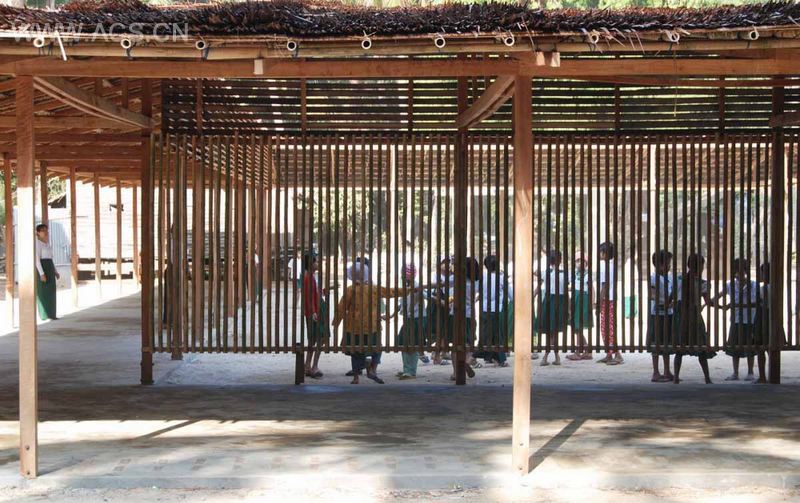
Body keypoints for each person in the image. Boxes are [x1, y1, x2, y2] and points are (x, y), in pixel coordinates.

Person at [332, 262, 420, 384]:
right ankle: (373, 369)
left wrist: (336, 322)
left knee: (355, 351)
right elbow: (391, 292)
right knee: (377, 349)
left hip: (354, 326)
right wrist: (408, 290)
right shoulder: (373, 288)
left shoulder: (350, 289)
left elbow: (341, 307)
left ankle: (356, 377)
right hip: (372, 325)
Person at [672, 253, 715, 384]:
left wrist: (668, 303)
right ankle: (707, 378)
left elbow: (672, 294)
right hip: (694, 314)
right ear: (700, 266)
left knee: (680, 347)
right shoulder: (702, 283)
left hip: (680, 314)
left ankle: (676, 378)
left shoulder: (680, 279)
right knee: (700, 345)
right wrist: (719, 305)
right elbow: (707, 301)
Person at [714, 258, 757, 381]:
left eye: (741, 270)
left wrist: (732, 305)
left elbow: (755, 303)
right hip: (736, 320)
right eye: (736, 271)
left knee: (750, 347)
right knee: (734, 347)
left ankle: (750, 372)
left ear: (746, 271)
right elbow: (717, 296)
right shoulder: (730, 285)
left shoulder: (753, 285)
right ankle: (735, 372)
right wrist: (717, 305)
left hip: (749, 320)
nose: (739, 274)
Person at [389, 264, 427, 380]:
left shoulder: (416, 286)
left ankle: (411, 371)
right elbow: (402, 304)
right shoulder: (406, 286)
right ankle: (407, 369)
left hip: (416, 319)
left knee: (412, 344)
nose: (402, 275)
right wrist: (391, 315)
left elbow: (426, 295)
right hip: (409, 319)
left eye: (403, 273)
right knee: (404, 343)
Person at [646, 249, 674, 382]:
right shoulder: (653, 278)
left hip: (668, 313)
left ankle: (667, 371)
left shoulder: (669, 278)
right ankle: (656, 372)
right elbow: (652, 295)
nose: (669, 266)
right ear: (659, 264)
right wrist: (665, 302)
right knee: (656, 343)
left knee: (666, 343)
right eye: (667, 263)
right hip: (657, 314)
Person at [537, 250, 569, 366]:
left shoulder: (546, 272)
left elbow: (538, 286)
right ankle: (556, 356)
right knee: (554, 331)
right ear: (560, 260)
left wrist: (533, 295)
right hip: (560, 302)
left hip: (549, 301)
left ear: (549, 261)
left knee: (550, 331)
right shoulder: (564, 273)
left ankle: (546, 356)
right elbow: (566, 291)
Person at [479, 255, 511, 367]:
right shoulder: (501, 278)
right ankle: (500, 359)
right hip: (497, 309)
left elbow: (477, 290)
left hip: (484, 308)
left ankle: (489, 357)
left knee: (486, 333)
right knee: (497, 334)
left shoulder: (482, 277)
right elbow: (510, 294)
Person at [302, 253, 328, 379]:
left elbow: (314, 293)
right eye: (316, 261)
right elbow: (309, 297)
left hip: (315, 310)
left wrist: (324, 291)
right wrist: (313, 312)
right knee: (320, 338)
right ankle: (314, 366)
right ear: (310, 264)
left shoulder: (311, 277)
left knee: (313, 340)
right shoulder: (309, 278)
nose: (318, 263)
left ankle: (307, 366)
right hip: (315, 311)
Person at [597, 241, 623, 365]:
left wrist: (599, 301)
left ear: (605, 254)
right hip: (612, 299)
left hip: (607, 300)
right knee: (609, 326)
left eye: (601, 252)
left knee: (607, 327)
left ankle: (615, 355)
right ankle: (611, 354)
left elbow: (604, 286)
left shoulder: (604, 267)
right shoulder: (612, 266)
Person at [566, 252, 593, 361]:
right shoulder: (574, 274)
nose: (579, 263)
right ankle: (587, 351)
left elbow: (591, 289)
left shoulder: (587, 275)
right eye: (577, 261)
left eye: (582, 261)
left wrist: (592, 303)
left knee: (579, 326)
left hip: (583, 301)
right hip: (575, 300)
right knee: (577, 328)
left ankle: (577, 352)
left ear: (586, 263)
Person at [35, 224, 59, 321]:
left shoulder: (47, 243)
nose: (45, 232)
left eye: (46, 230)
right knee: (43, 292)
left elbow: (51, 259)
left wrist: (55, 271)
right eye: (42, 230)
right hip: (43, 268)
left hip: (50, 268)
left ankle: (52, 314)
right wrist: (41, 273)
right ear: (38, 232)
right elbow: (37, 259)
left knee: (51, 292)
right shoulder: (37, 243)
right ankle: (44, 315)